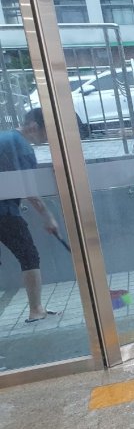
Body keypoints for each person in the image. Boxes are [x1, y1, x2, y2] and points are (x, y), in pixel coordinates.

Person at [0, 108, 61, 322]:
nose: (47, 139)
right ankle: (36, 310)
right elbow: (28, 189)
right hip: (4, 212)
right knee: (29, 256)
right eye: (47, 133)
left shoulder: (5, 137)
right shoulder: (23, 148)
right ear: (34, 127)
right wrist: (48, 216)